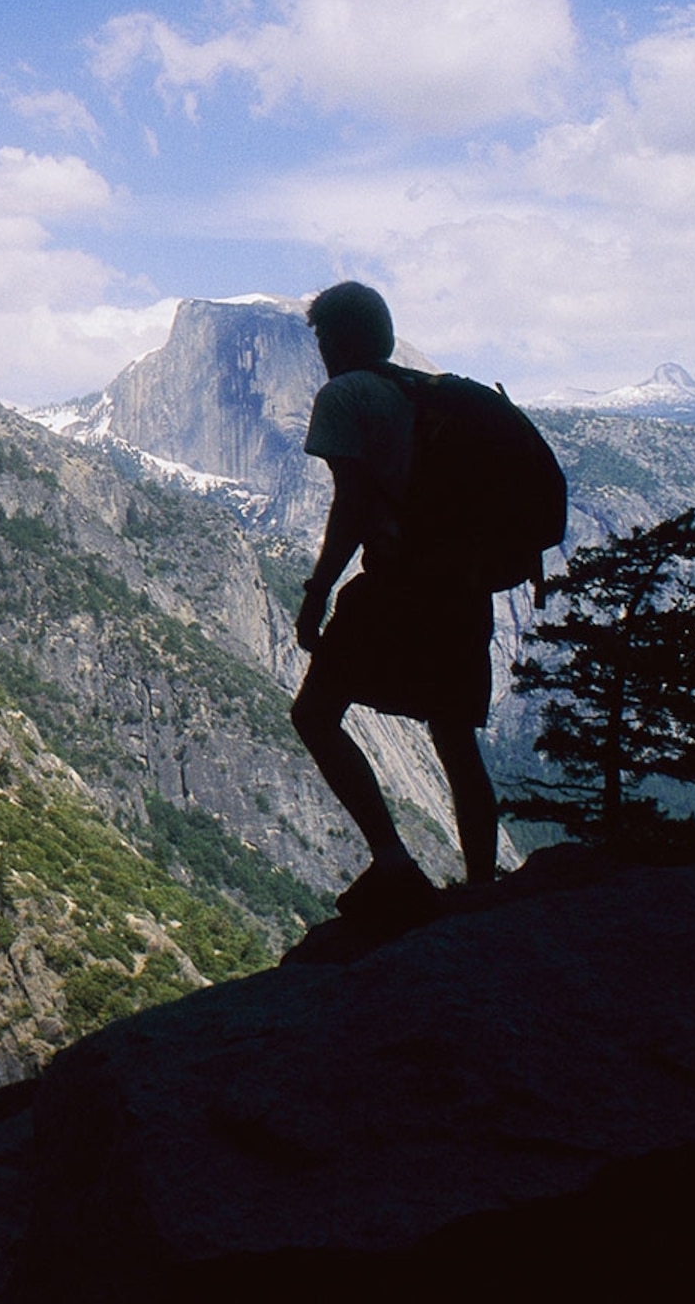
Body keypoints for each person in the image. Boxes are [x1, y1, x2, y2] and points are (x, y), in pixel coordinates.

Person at [288, 280, 500, 919]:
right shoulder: (425, 394)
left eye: (323, 335)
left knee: (316, 715)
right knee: (456, 740)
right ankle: (484, 888)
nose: (320, 348)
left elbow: (350, 503)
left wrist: (318, 591)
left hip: (398, 588)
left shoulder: (345, 395)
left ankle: (393, 861)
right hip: (463, 591)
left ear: (337, 339)